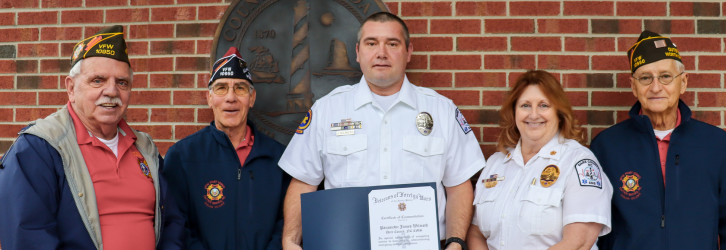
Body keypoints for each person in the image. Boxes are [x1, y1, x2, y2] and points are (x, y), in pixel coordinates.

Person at [279, 12, 485, 250]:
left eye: (392, 43)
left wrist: (456, 242)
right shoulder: (328, 110)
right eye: (371, 43)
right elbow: (304, 181)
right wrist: (290, 240)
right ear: (358, 52)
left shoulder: (441, 111)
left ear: (408, 52)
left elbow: (459, 184)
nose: (381, 53)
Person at [0, 25, 183, 250]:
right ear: (71, 88)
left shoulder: (145, 148)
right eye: (98, 80)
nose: (112, 91)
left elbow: (172, 221)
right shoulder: (39, 147)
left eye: (122, 82)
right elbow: (27, 238)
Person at [591, 30, 726, 250]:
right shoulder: (607, 147)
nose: (656, 87)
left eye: (666, 76)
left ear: (683, 82)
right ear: (633, 86)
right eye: (645, 78)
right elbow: (593, 226)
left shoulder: (717, 145)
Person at [465, 70, 613, 250]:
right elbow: (476, 233)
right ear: (514, 112)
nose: (533, 115)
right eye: (525, 105)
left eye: (543, 105)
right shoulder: (496, 163)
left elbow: (578, 242)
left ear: (559, 113)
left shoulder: (579, 163)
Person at [162, 47, 289, 249]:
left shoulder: (279, 158)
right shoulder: (183, 156)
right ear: (210, 98)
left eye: (240, 88)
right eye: (221, 88)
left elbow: (287, 223)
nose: (231, 97)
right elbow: (175, 224)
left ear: (252, 98)